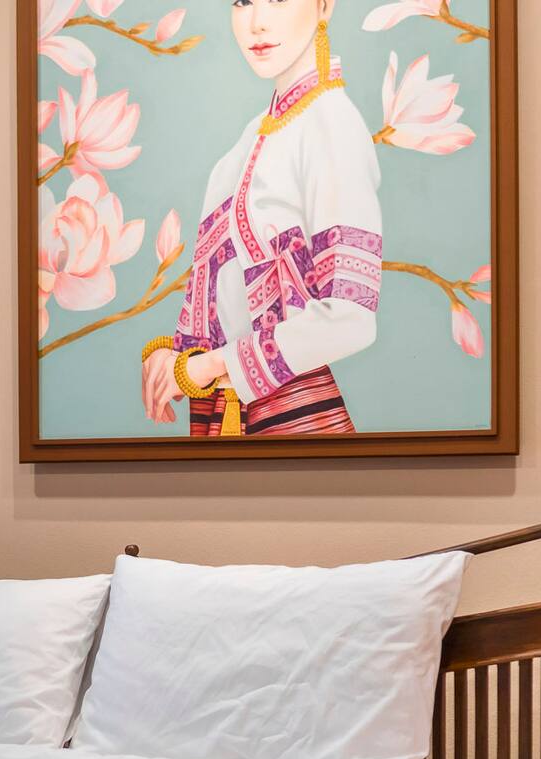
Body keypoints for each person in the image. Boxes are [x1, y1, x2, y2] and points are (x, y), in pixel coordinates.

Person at [142, 0, 382, 436]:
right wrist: (173, 359)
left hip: (295, 419)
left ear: (324, 6)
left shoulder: (332, 124)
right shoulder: (255, 134)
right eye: (242, 1)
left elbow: (351, 316)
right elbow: (225, 300)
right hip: (225, 418)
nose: (256, 22)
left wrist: (213, 365)